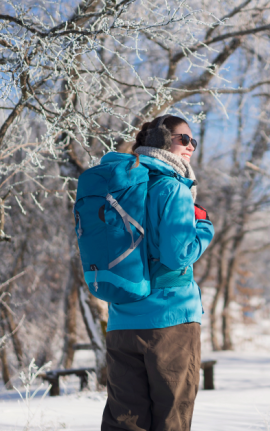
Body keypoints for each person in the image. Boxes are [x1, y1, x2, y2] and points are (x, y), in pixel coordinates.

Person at [101, 115, 214, 431]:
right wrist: (204, 227)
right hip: (170, 321)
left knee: (126, 422)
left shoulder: (121, 186)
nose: (190, 146)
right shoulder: (171, 188)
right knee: (171, 419)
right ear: (163, 140)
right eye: (184, 138)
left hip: (122, 320)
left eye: (193, 140)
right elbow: (178, 255)